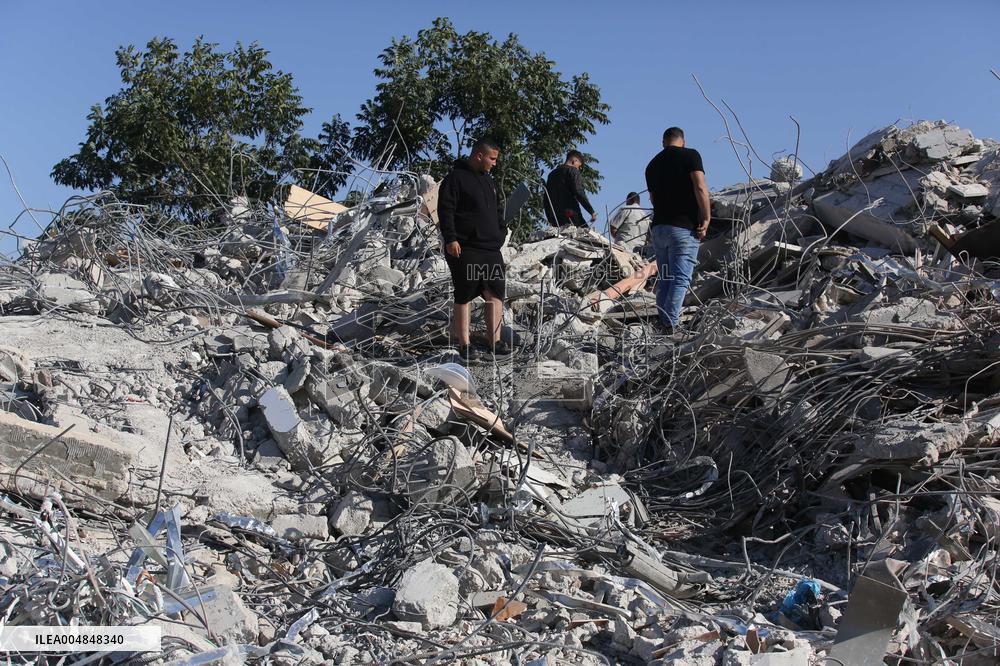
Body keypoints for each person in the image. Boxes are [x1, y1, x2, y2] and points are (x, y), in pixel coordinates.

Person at [438, 138, 512, 361]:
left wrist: (500, 233)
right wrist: (451, 238)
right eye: (492, 158)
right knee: (465, 294)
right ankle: (465, 346)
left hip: (491, 250)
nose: (494, 163)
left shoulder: (489, 181)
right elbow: (446, 209)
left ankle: (495, 343)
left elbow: (498, 211)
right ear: (479, 156)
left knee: (494, 293)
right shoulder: (455, 178)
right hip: (466, 248)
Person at [644, 127, 711, 332]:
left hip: (659, 229)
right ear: (683, 141)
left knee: (665, 279)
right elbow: (700, 187)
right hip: (683, 229)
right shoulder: (691, 155)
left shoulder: (652, 165)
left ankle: (663, 324)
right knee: (680, 279)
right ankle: (669, 325)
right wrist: (706, 217)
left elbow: (653, 198)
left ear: (663, 142)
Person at [544, 150, 598, 228]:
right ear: (574, 161)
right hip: (570, 213)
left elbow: (546, 198)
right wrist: (591, 211)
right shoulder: (573, 171)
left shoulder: (552, 174)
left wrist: (549, 217)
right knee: (584, 233)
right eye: (579, 166)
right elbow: (578, 191)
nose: (578, 168)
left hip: (555, 216)